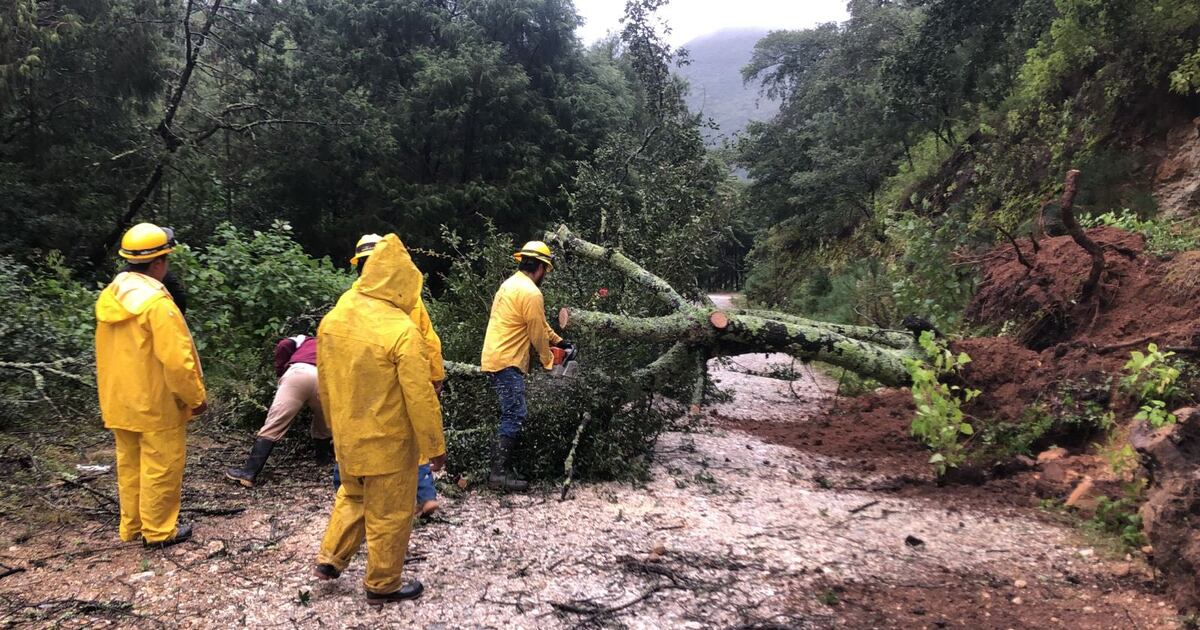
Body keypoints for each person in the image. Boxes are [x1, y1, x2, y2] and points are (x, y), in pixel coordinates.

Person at [313, 234, 447, 604]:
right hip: (388, 442)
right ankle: (382, 584)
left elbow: (325, 380)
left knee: (353, 495)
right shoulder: (400, 329)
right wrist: (435, 446)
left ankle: (330, 558)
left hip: (348, 434)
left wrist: (331, 425)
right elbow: (420, 398)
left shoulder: (337, 315)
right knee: (390, 513)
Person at [95, 222, 206, 548]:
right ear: (158, 263)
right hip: (156, 404)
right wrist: (195, 397)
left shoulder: (111, 296)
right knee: (161, 467)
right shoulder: (157, 304)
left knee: (130, 466)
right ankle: (158, 532)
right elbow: (177, 361)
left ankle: (133, 527)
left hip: (119, 400)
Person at [332, 234, 444, 517]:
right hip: (400, 379)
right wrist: (435, 375)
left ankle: (348, 491)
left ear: (359, 266)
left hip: (358, 384)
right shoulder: (408, 298)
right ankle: (424, 494)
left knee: (352, 434)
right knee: (407, 437)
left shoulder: (348, 302)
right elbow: (429, 340)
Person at [480, 240, 573, 491]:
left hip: (497, 356)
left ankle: (501, 470)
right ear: (541, 267)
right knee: (514, 414)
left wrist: (560, 341)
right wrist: (549, 361)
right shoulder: (532, 292)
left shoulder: (510, 285)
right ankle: (498, 475)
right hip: (507, 360)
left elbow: (539, 324)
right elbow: (536, 334)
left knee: (511, 412)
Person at [225, 333, 330, 488]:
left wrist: (281, 370)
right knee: (324, 421)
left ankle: (249, 473)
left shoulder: (304, 339)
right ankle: (323, 461)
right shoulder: (338, 346)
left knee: (275, 423)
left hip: (299, 373)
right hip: (327, 379)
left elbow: (283, 345)